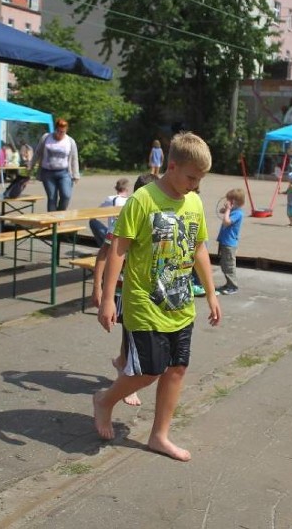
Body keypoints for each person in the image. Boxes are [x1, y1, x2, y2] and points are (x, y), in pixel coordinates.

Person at [94, 132, 222, 462]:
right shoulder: (143, 199)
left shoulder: (193, 201)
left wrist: (211, 293)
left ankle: (159, 436)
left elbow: (199, 248)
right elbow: (118, 249)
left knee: (177, 369)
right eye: (191, 177)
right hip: (143, 302)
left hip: (180, 304)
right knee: (148, 371)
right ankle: (105, 401)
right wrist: (108, 299)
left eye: (200, 179)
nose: (194, 185)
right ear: (172, 165)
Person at [91, 173, 159, 407]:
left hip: (142, 288)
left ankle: (122, 364)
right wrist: (98, 288)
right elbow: (105, 253)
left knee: (130, 332)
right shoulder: (128, 216)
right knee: (130, 332)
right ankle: (126, 378)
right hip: (122, 287)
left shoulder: (156, 217)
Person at [29, 118, 80, 211]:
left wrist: (76, 175)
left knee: (66, 195)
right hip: (47, 173)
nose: (60, 134)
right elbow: (38, 152)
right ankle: (52, 223)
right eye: (58, 131)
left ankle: (59, 215)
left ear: (66, 130)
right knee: (52, 198)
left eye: (63, 132)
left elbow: (74, 158)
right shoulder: (46, 137)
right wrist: (31, 166)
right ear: (55, 129)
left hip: (64, 173)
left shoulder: (70, 141)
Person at [217, 188, 246, 295]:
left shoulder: (238, 213)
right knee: (224, 264)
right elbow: (222, 212)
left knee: (229, 265)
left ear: (233, 202)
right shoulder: (234, 211)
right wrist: (226, 210)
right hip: (225, 242)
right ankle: (228, 283)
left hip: (229, 243)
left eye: (228, 200)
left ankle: (233, 286)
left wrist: (228, 210)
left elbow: (226, 222)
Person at [89, 177, 131, 247]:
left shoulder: (111, 199)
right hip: (126, 236)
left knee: (92, 221)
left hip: (113, 236)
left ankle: (103, 247)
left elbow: (97, 212)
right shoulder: (130, 200)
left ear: (116, 188)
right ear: (127, 189)